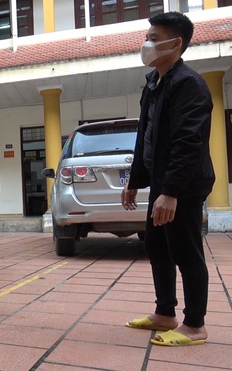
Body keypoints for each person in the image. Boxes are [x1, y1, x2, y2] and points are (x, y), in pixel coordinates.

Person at [121, 12, 214, 347]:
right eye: (147, 36)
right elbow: (145, 134)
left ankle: (195, 325)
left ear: (176, 43)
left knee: (186, 251)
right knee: (157, 246)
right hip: (163, 183)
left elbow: (189, 141)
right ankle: (165, 313)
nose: (147, 44)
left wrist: (171, 192)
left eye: (154, 37)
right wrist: (135, 180)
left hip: (183, 186)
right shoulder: (154, 83)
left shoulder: (189, 84)